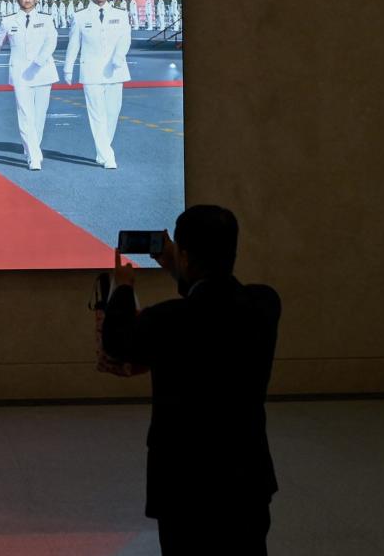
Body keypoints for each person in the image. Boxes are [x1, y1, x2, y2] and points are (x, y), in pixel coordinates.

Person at [103, 206, 281, 556]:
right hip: (247, 474)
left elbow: (117, 343)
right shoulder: (264, 304)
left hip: (184, 483)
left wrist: (122, 288)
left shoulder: (165, 321)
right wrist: (179, 267)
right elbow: (215, 300)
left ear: (185, 254)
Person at [0, 0, 58, 170]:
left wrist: (40, 60)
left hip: (43, 72)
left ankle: (33, 146)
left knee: (39, 115)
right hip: (20, 73)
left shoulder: (46, 19)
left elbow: (51, 42)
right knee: (25, 114)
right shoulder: (9, 21)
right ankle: (33, 155)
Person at [63, 0, 131, 169]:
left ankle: (103, 150)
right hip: (91, 72)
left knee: (112, 114)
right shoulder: (80, 17)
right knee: (97, 115)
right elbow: (73, 45)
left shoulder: (121, 14)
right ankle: (108, 156)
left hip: (115, 70)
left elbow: (125, 39)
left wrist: (119, 57)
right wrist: (68, 69)